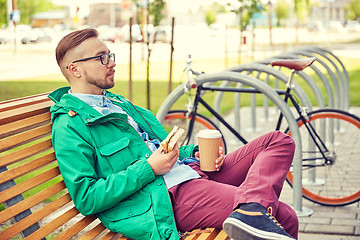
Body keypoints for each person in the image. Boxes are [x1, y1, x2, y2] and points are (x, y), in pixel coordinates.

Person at [49, 28, 299, 240]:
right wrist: (149, 168)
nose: (112, 62)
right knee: (284, 215)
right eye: (102, 58)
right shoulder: (70, 125)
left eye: (110, 55)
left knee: (278, 141)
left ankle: (251, 209)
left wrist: (196, 153)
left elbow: (161, 145)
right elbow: (86, 197)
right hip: (166, 195)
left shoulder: (118, 104)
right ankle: (252, 211)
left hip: (190, 171)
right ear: (75, 69)